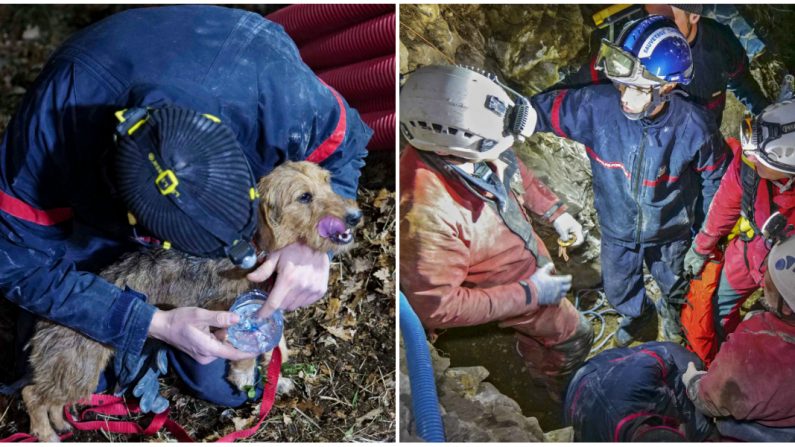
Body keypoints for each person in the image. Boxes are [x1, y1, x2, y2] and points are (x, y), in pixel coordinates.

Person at [0, 6, 371, 409]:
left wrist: (308, 246)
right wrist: (151, 322)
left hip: (226, 68)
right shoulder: (46, 140)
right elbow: (17, 262)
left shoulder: (280, 99)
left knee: (222, 387)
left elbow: (346, 146)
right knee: (65, 364)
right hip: (92, 217)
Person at [530, 15, 730, 347]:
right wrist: (513, 115)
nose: (624, 95)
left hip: (672, 232)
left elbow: (717, 180)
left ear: (667, 85)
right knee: (618, 286)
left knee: (675, 280)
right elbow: (546, 110)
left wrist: (704, 236)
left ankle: (672, 312)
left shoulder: (695, 127)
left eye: (637, 88)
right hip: (617, 229)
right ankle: (638, 316)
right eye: (622, 83)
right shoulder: (598, 107)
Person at [399, 64, 593, 395]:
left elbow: (513, 170)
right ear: (450, 147)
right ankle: (557, 387)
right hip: (514, 292)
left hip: (527, 274)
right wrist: (530, 293)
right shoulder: (428, 215)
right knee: (576, 336)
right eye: (494, 145)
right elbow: (437, 307)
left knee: (541, 331)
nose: (503, 149)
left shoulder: (473, 136)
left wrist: (555, 212)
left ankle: (534, 348)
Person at [685, 99, 795, 341]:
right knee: (718, 310)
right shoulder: (749, 164)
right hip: (749, 252)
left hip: (789, 276)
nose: (749, 157)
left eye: (759, 157)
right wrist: (702, 245)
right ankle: (726, 351)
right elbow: (727, 201)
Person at [682, 236, 795, 441]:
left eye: (768, 280)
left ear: (786, 307)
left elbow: (711, 401)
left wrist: (692, 381)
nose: (762, 280)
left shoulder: (752, 349)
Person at [644, 4, 769, 128]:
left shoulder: (721, 42)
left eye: (667, 20)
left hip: (711, 132)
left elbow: (741, 82)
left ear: (694, 15)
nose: (656, 32)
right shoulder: (639, 57)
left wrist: (767, 113)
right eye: (649, 19)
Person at [564, 341, 716, 442]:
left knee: (687, 361)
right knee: (701, 431)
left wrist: (683, 413)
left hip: (604, 370)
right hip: (581, 391)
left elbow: (661, 355)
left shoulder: (640, 376)